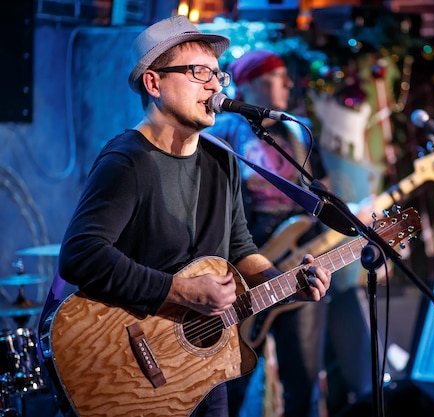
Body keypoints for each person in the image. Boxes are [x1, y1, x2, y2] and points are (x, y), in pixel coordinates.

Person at [44, 15, 331, 417]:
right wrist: (182, 293)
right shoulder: (127, 161)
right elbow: (80, 255)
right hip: (129, 363)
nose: (215, 86)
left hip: (201, 367)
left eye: (218, 74)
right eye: (198, 72)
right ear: (154, 83)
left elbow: (239, 247)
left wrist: (283, 285)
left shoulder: (221, 160)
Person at [204, 49, 333, 417]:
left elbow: (319, 191)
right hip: (244, 271)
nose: (288, 83)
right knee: (233, 384)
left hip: (296, 267)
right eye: (276, 76)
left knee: (303, 381)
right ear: (246, 85)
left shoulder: (298, 131)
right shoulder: (225, 132)